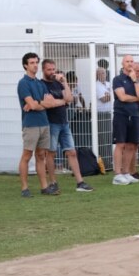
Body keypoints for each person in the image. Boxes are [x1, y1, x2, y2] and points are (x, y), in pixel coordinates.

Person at [40, 59, 94, 193]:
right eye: (49, 70)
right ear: (43, 70)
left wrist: (64, 82)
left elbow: (69, 99)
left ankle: (80, 182)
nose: (52, 72)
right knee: (51, 153)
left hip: (64, 122)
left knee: (72, 152)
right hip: (51, 123)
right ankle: (53, 182)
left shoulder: (59, 83)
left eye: (54, 69)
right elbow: (48, 103)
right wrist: (61, 101)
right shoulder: (41, 85)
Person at [17, 52, 58, 197]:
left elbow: (51, 102)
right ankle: (24, 188)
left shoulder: (40, 83)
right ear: (25, 65)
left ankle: (44, 187)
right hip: (31, 125)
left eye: (36, 62)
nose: (35, 65)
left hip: (44, 123)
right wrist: (39, 104)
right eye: (32, 63)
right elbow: (32, 105)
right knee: (27, 155)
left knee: (41, 155)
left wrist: (37, 104)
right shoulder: (23, 83)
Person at [110, 55, 139, 186]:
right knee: (120, 144)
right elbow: (122, 97)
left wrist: (135, 81)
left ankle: (126, 172)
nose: (130, 64)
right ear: (122, 64)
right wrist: (137, 99)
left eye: (131, 61)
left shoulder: (135, 80)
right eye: (127, 61)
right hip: (121, 114)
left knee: (132, 144)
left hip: (135, 114)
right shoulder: (117, 79)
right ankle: (117, 174)